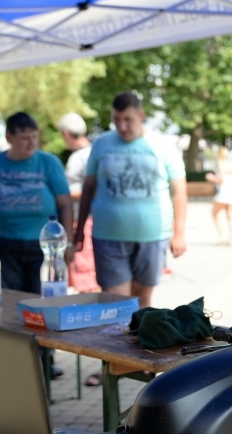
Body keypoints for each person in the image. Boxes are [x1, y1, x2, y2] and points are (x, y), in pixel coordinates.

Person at [75, 92, 187, 310]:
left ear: (141, 115)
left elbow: (179, 191)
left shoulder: (162, 145)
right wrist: (79, 230)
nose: (122, 126)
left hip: (153, 236)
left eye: (128, 119)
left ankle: (138, 344)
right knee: (116, 304)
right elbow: (88, 187)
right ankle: (116, 344)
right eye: (117, 120)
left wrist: (179, 233)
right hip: (108, 236)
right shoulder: (102, 143)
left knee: (142, 300)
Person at [0, 112, 74, 294]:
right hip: (5, 244)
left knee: (39, 298)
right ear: (9, 137)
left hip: (42, 245)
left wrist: (67, 242)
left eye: (34, 137)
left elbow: (65, 204)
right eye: (25, 138)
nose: (31, 143)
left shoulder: (48, 162)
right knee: (8, 299)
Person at [58, 112, 99, 295]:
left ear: (66, 133)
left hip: (82, 219)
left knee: (84, 274)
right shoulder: (96, 151)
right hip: (98, 218)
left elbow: (74, 192)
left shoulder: (78, 158)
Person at [205, 146, 232, 246]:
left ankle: (222, 236)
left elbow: (221, 180)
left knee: (214, 214)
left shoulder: (220, 165)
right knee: (230, 216)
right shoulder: (231, 164)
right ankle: (231, 238)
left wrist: (211, 178)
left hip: (223, 193)